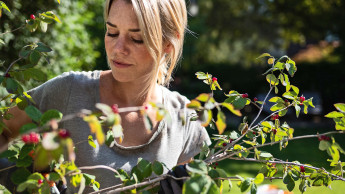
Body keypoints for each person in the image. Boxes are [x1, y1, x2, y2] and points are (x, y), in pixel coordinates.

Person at [0, 0, 211, 192]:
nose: (118, 48)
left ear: (168, 42)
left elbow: (204, 183)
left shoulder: (185, 119)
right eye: (111, 32)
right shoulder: (69, 91)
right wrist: (25, 182)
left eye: (136, 38)